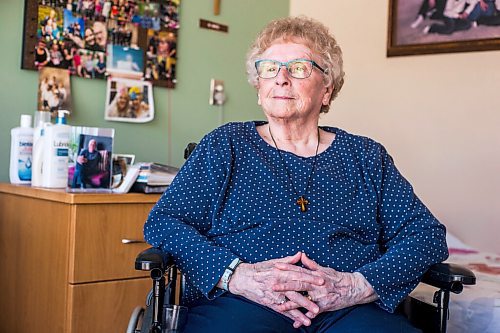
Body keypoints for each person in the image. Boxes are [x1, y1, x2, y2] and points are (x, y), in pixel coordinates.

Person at [144, 16, 448, 333]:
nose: (282, 78)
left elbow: (425, 235)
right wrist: (236, 275)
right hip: (241, 305)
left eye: (299, 68)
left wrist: (356, 286)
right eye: (269, 68)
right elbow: (164, 221)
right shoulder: (226, 146)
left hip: (349, 311)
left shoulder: (365, 157)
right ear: (259, 87)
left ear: (326, 90)